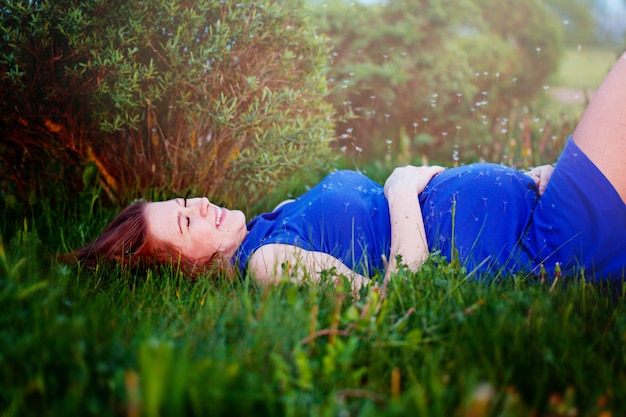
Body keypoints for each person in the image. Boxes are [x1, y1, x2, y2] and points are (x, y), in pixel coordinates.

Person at [72, 52, 626, 288]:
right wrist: (402, 187)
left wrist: (523, 178)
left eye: (183, 203)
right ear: (185, 270)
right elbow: (397, 296)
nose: (198, 207)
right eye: (186, 224)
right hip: (546, 247)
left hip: (539, 211)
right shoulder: (268, 261)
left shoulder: (275, 220)